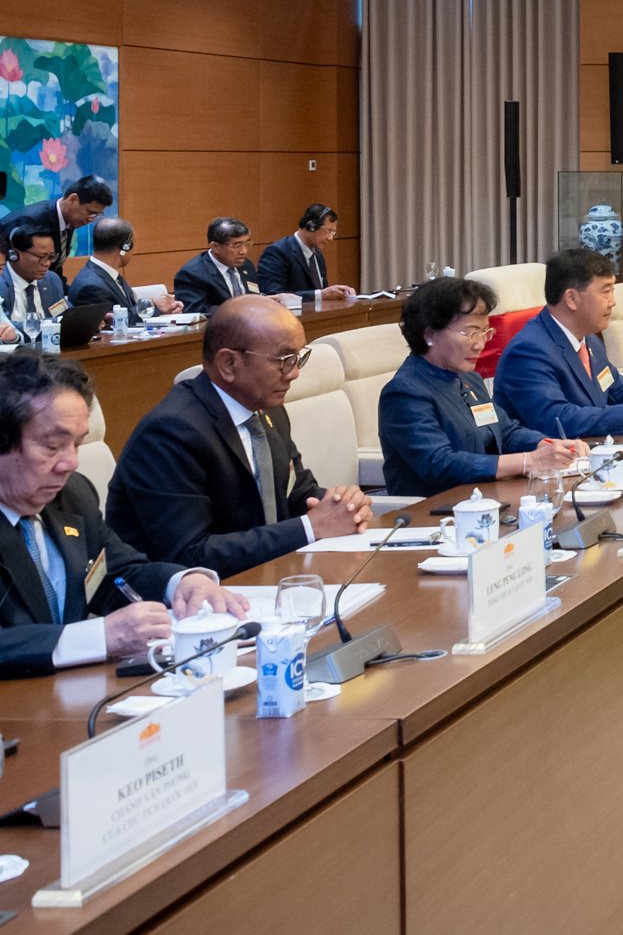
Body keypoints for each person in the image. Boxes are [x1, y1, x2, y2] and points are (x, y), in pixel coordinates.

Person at [0, 354, 251, 678]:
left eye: (77, 444)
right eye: (52, 446)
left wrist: (181, 583)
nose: (70, 463)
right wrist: (97, 637)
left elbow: (116, 574)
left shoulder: (73, 495)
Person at [107, 296, 370, 575]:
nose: (294, 373)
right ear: (229, 364)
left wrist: (344, 506)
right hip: (185, 596)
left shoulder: (268, 411)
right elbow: (189, 555)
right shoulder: (171, 433)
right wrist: (311, 527)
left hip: (264, 579)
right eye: (284, 360)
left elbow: (298, 495)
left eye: (298, 358)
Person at [378, 277, 586, 497]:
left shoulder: (469, 379)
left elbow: (505, 432)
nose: (480, 344)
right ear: (429, 335)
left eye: (485, 332)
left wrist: (547, 445)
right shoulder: (405, 393)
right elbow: (440, 464)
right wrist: (529, 461)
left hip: (486, 497)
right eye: (471, 333)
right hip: (437, 509)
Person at [494, 247, 623, 439]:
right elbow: (557, 419)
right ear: (572, 298)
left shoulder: (589, 340)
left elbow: (618, 390)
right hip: (547, 459)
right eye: (606, 291)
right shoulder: (528, 351)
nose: (613, 301)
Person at [65, 217, 179, 319]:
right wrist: (153, 308)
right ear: (126, 246)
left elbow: (129, 310)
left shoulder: (108, 274)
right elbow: (113, 323)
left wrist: (160, 307)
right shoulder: (91, 286)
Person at [1, 176, 112, 277]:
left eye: (97, 215)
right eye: (90, 213)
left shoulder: (69, 220)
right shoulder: (32, 221)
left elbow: (54, 270)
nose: (92, 219)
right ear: (72, 199)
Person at [254, 204, 356, 303]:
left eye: (333, 232)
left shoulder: (317, 255)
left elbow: (321, 292)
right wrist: (321, 294)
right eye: (328, 231)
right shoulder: (277, 252)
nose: (331, 238)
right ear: (311, 226)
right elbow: (273, 295)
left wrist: (337, 293)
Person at [170, 219, 260, 313]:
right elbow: (196, 311)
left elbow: (253, 295)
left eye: (247, 244)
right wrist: (239, 310)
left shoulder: (246, 265)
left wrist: (264, 300)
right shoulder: (192, 274)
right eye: (236, 245)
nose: (244, 251)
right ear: (215, 247)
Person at [1, 227, 65, 343]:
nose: (47, 263)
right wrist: (54, 324)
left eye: (51, 257)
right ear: (14, 254)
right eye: (41, 256)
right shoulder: (1, 282)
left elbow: (61, 313)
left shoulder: (52, 280)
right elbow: (6, 327)